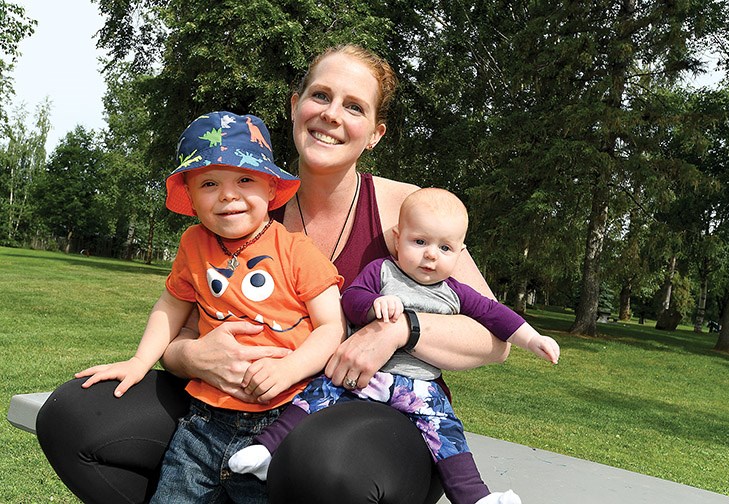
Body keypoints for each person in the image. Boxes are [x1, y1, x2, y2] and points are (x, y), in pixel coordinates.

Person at [36, 45, 544, 504]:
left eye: (354, 106)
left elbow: (492, 336)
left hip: (379, 415)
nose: (331, 115)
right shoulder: (243, 199)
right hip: (237, 403)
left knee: (321, 462)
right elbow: (183, 320)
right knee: (76, 417)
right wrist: (190, 355)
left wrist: (400, 328)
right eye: (320, 96)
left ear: (375, 133)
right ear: (295, 104)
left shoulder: (407, 212)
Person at [74, 111, 345, 501]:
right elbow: (170, 305)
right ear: (191, 194)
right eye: (210, 183)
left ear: (271, 188)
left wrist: (289, 368)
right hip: (202, 422)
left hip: (280, 424)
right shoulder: (193, 244)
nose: (228, 195)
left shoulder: (297, 251)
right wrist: (139, 362)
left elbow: (331, 328)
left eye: (245, 179)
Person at [229, 188, 559, 504]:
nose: (431, 254)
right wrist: (374, 305)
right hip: (364, 377)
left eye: (445, 248)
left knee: (447, 435)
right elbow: (352, 299)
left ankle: (476, 496)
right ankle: (267, 450)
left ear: (459, 253)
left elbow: (494, 314)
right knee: (314, 397)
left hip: (420, 388)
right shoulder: (383, 271)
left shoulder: (456, 292)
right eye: (420, 242)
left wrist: (532, 338)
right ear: (397, 239)